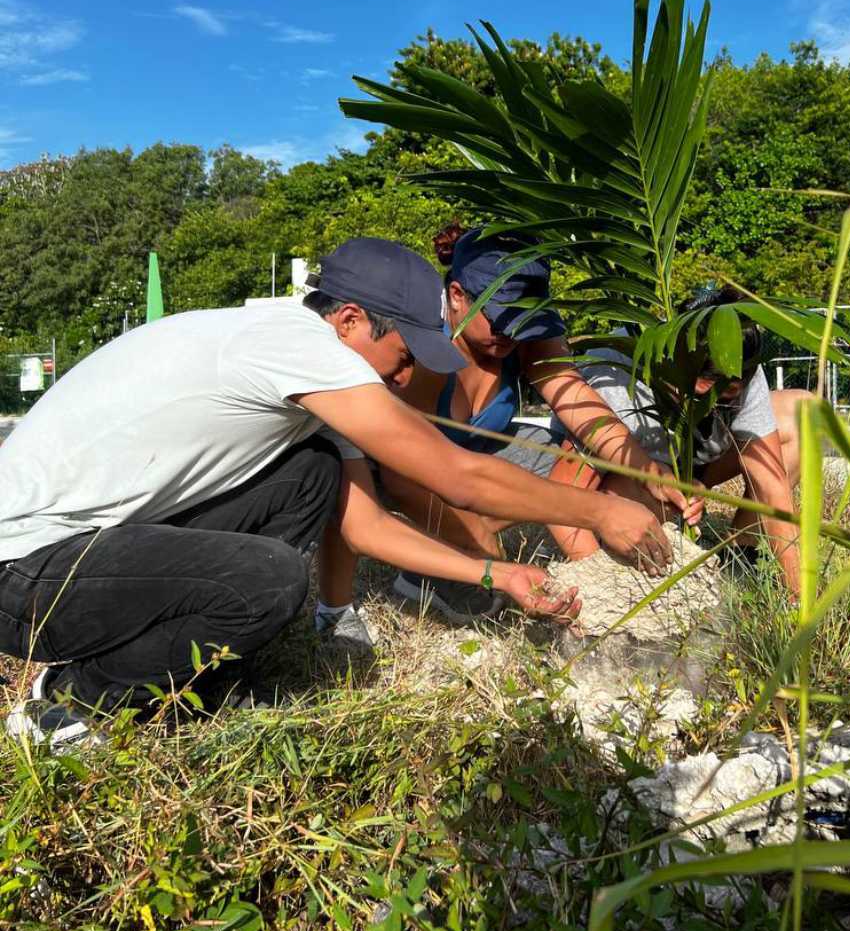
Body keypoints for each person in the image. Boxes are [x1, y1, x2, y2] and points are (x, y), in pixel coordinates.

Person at [0, 237, 670, 747]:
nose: (406, 376)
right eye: (404, 356)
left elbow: (365, 526)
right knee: (265, 582)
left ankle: (193, 667)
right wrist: (600, 507)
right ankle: (68, 698)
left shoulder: (308, 367)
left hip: (82, 550)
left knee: (312, 471)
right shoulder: (294, 346)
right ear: (350, 320)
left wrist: (498, 574)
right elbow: (456, 474)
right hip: (25, 570)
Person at [317, 225, 697, 626]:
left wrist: (642, 466)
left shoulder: (525, 337)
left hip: (470, 466)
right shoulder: (423, 353)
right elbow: (405, 479)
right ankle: (388, 584)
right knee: (485, 599)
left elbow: (573, 398)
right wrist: (487, 557)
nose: (511, 335)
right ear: (457, 297)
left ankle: (589, 564)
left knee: (575, 451)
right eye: (500, 321)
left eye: (523, 324)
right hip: (408, 470)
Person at [544, 285, 809, 600]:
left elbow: (772, 485)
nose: (710, 409)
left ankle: (741, 556)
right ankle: (649, 554)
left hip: (689, 468)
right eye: (700, 393)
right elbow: (561, 496)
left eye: (725, 398)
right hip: (630, 480)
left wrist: (800, 601)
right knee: (660, 503)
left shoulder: (734, 358)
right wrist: (598, 580)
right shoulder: (614, 375)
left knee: (801, 412)